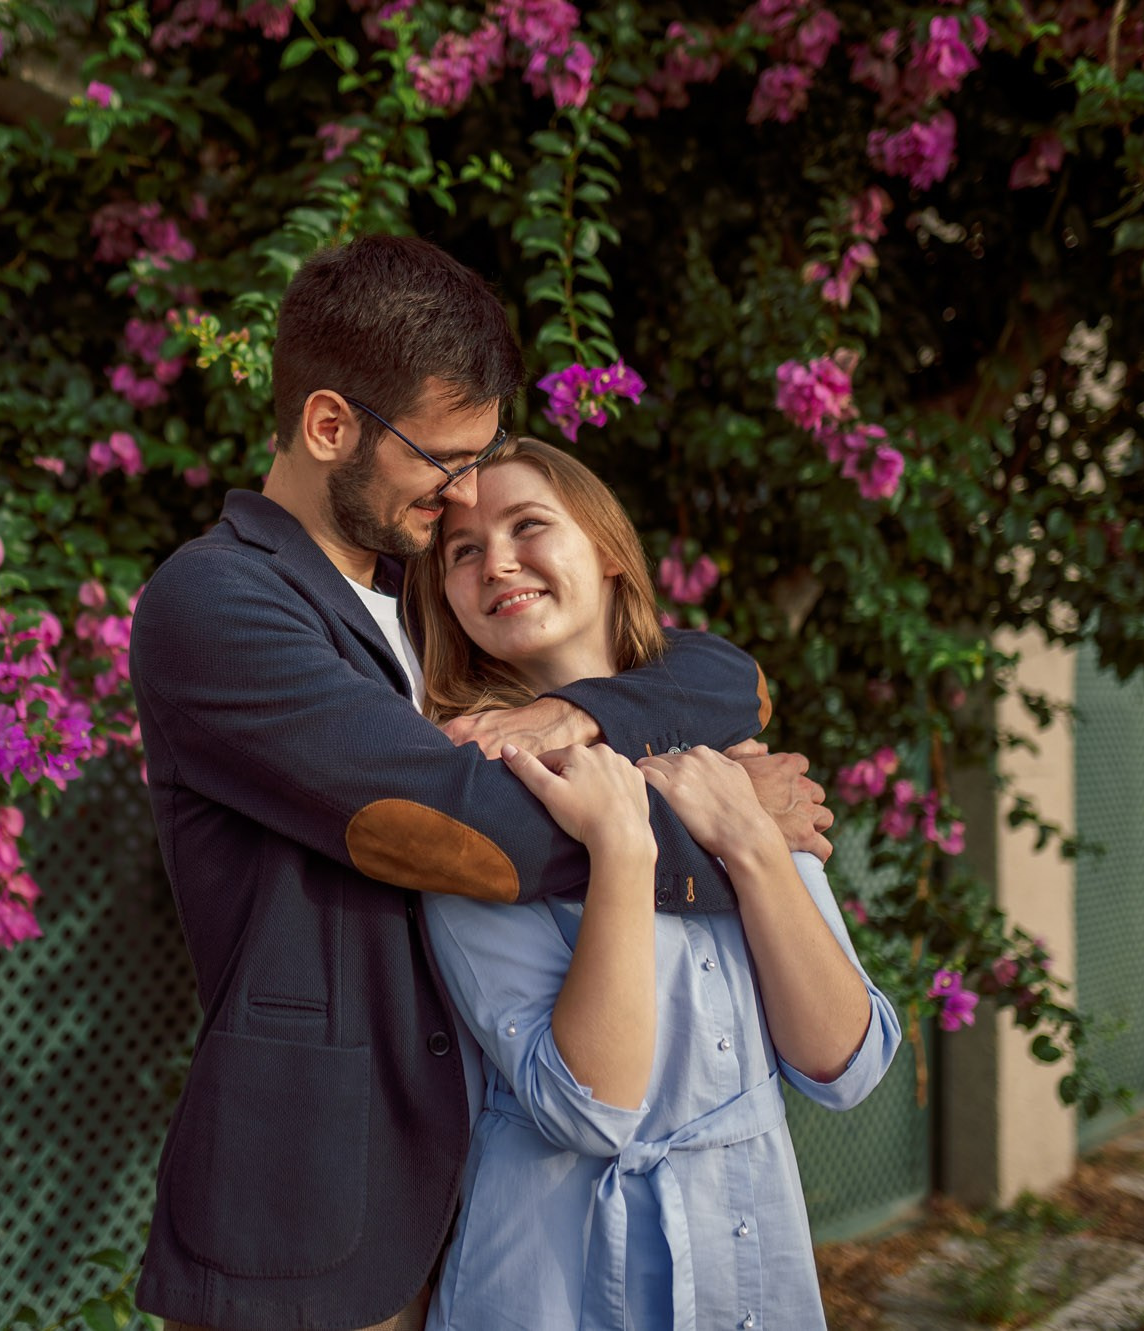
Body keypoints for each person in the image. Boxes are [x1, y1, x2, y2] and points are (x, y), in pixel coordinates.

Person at [127, 234, 833, 1331]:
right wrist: (728, 824)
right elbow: (459, 833)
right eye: (442, 456)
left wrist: (584, 709)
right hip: (313, 1228)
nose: (464, 491)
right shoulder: (216, 602)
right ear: (328, 426)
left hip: (468, 1209)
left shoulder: (426, 596)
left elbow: (715, 671)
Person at [408, 438, 901, 1330]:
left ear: (605, 548)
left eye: (527, 525)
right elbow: (585, 1108)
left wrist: (750, 842)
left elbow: (846, 1063)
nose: (498, 561)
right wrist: (626, 851)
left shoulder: (726, 760)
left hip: (747, 1247)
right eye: (463, 550)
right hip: (552, 1273)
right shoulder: (466, 789)